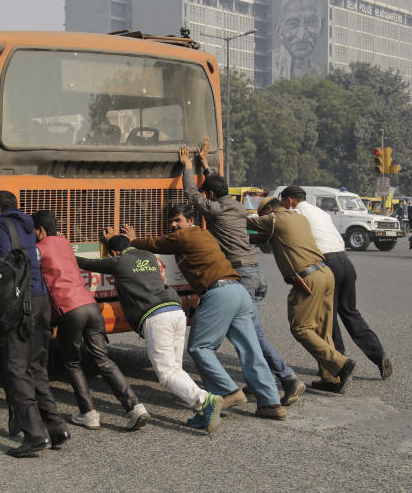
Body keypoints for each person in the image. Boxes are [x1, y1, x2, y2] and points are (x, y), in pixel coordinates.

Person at [124, 203, 287, 421]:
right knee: (251, 350)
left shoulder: (187, 235)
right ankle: (271, 403)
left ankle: (228, 393)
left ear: (190, 221)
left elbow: (155, 243)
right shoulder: (203, 234)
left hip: (219, 293)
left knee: (199, 347)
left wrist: (132, 240)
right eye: (171, 221)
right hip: (238, 292)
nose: (173, 225)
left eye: (178, 221)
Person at [180, 140, 305, 405]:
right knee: (247, 332)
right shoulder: (235, 205)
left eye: (208, 194)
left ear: (211, 197)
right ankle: (261, 383)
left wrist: (188, 167)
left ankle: (287, 378)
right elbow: (216, 187)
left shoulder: (215, 210)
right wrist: (205, 164)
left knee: (250, 335)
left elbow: (193, 195)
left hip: (242, 275)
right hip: (256, 273)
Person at [77, 232, 223, 432]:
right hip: (175, 309)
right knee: (175, 369)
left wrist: (63, 250)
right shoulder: (148, 256)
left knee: (166, 374)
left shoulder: (119, 261)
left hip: (156, 316)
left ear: (114, 252)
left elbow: (86, 263)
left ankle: (204, 400)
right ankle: (200, 411)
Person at [33, 210, 149, 431]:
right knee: (103, 359)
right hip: (90, 305)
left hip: (69, 309)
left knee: (72, 363)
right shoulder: (65, 244)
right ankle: (135, 407)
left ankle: (89, 414)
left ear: (40, 230)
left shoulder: (38, 250)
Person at [0, 190, 69, 458]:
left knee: (15, 369)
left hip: (21, 302)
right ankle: (56, 427)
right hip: (42, 299)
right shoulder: (29, 223)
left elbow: (4, 261)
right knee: (36, 367)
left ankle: (35, 435)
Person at [280, 186, 393, 382]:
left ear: (289, 200)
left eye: (283, 202)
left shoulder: (294, 213)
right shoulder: (319, 211)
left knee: (328, 315)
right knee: (350, 312)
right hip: (345, 262)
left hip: (327, 263)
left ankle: (337, 364)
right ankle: (379, 354)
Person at [247, 198, 357, 393]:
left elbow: (244, 222)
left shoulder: (274, 219)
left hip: (308, 278)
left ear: (270, 209)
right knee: (323, 328)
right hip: (325, 273)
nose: (263, 218)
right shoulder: (298, 218)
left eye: (263, 214)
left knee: (301, 328)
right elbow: (263, 238)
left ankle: (341, 363)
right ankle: (331, 378)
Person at [273, 0, 324, 79]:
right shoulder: (271, 67)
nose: (301, 36)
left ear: (322, 26)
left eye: (311, 23)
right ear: (279, 30)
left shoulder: (321, 74)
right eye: (293, 24)